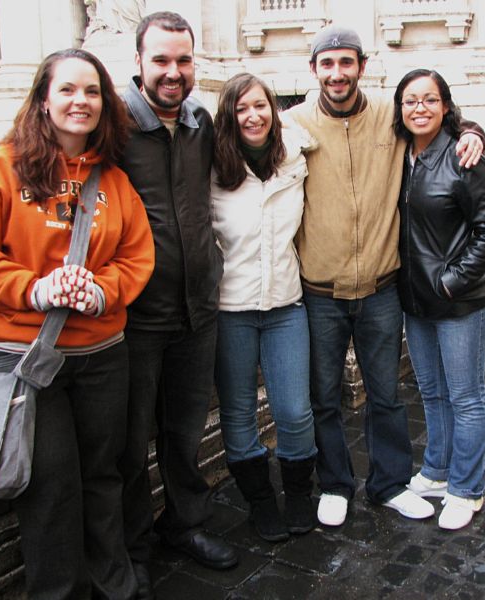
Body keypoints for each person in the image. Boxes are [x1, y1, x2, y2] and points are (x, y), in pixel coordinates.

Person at [283, 25, 484, 527]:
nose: (337, 73)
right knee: (324, 396)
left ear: (361, 67)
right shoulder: (293, 125)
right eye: (327, 65)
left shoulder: (389, 118)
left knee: (387, 395)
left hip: (381, 288)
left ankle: (390, 483)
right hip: (319, 291)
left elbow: (435, 116)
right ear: (313, 71)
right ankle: (335, 484)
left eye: (346, 63)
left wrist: (476, 131)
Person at [0, 48, 154, 599]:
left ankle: (114, 583)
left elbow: (136, 256)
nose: (81, 101)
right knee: (49, 488)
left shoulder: (114, 181)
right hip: (24, 359)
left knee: (105, 475)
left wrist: (102, 292)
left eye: (93, 91)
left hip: (101, 354)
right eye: (68, 90)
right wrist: (35, 287)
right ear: (43, 100)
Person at [117, 11, 238, 595]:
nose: (172, 71)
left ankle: (185, 523)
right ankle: (133, 548)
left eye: (182, 60)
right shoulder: (112, 126)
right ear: (138, 62)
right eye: (160, 60)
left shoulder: (198, 121)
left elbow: (271, 142)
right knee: (130, 441)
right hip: (135, 316)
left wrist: (467, 128)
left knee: (185, 430)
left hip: (198, 308)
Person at [394, 69, 485, 529]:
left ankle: (467, 487)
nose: (419, 108)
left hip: (458, 301)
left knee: (466, 396)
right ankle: (438, 471)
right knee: (432, 392)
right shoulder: (399, 156)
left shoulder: (464, 156)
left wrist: (451, 281)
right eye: (410, 101)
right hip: (415, 300)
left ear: (444, 106)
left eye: (429, 100)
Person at [211, 73, 318, 542]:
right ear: (228, 117)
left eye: (260, 106)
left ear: (274, 110)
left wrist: (474, 131)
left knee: (294, 410)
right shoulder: (210, 166)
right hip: (229, 309)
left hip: (285, 304)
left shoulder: (295, 153)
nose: (252, 116)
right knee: (237, 412)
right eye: (241, 109)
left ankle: (296, 493)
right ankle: (259, 502)